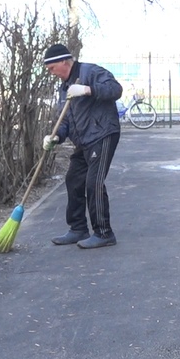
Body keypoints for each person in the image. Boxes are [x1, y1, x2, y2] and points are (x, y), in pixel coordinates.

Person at [42, 43, 125, 249]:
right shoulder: (64, 88)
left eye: (52, 68)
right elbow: (66, 120)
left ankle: (104, 233)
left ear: (64, 61)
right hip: (84, 140)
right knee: (73, 179)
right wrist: (55, 137)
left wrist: (88, 89)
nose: (51, 73)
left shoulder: (91, 71)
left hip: (103, 133)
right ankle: (78, 228)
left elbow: (115, 90)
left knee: (93, 182)